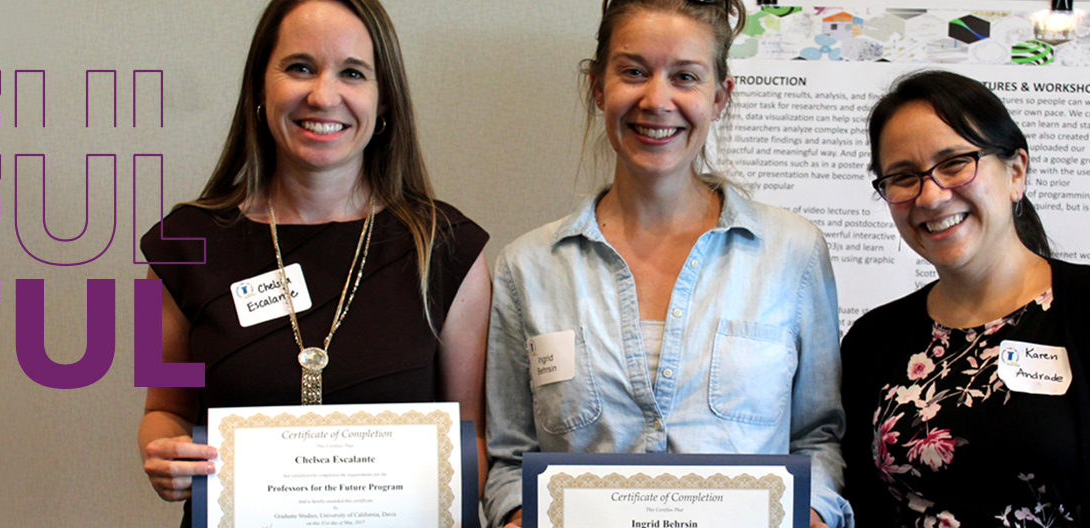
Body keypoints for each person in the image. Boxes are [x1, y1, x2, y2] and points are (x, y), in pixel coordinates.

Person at [482, 1, 847, 527]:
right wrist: (516, 515)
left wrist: (813, 512)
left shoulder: (794, 252)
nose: (656, 100)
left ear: (720, 96)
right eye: (633, 72)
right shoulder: (528, 268)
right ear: (597, 86)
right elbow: (512, 457)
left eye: (685, 77)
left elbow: (816, 437)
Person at [134, 0, 492, 523]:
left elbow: (473, 437)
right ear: (261, 86)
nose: (324, 95)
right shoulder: (180, 246)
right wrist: (164, 455)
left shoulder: (450, 249)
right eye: (299, 67)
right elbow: (161, 411)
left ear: (384, 99)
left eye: (353, 73)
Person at [840, 70, 1090, 527]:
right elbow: (858, 505)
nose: (930, 196)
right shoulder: (874, 340)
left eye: (955, 163)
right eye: (904, 177)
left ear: (1015, 172)